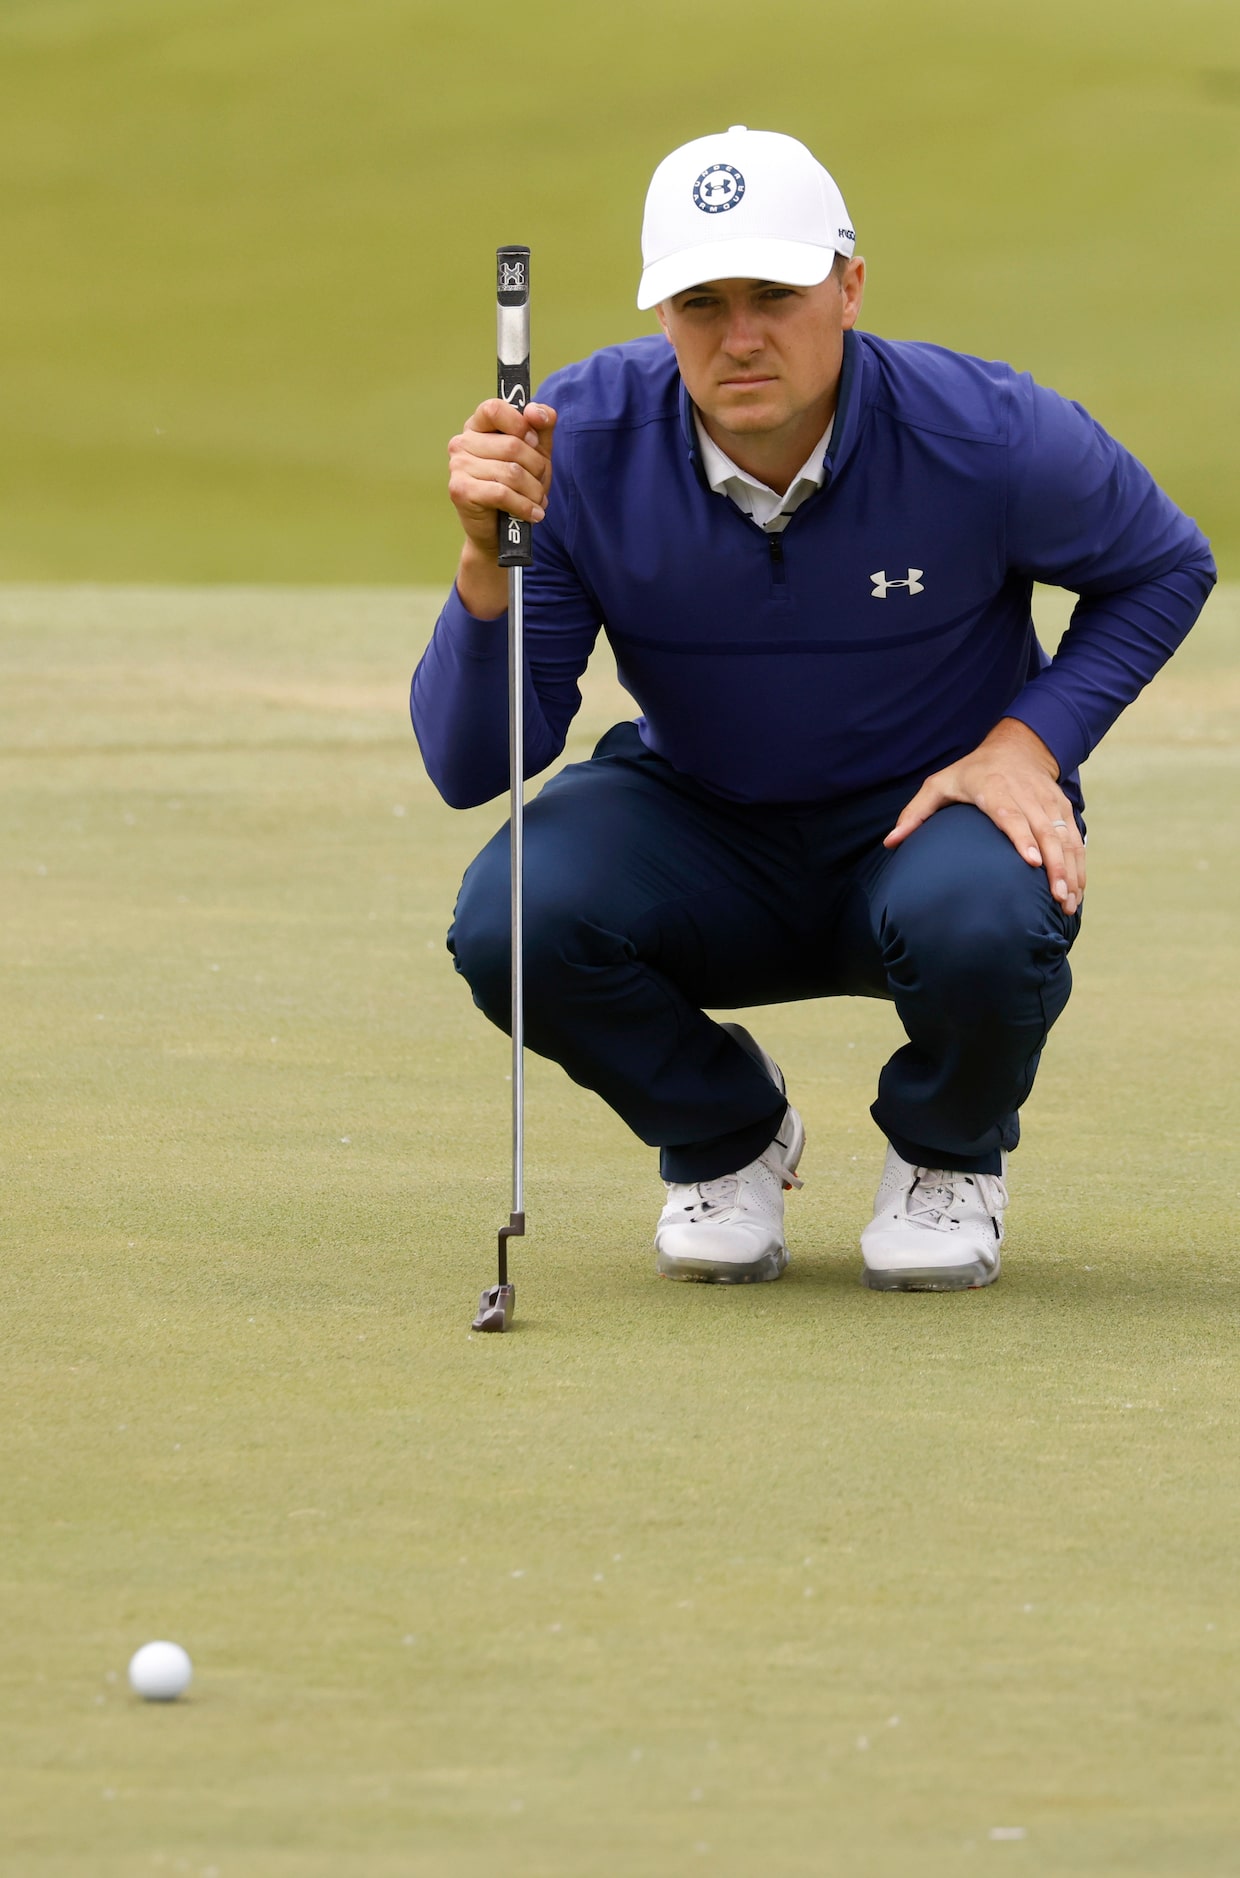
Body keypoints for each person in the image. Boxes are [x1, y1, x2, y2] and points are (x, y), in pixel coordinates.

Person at [411, 126, 1214, 1293]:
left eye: (773, 294)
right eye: (700, 302)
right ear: (661, 315)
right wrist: (489, 565)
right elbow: (471, 763)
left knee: (988, 916)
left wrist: (1024, 744)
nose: (739, 336)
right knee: (512, 919)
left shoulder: (982, 430)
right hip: (701, 819)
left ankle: (949, 1153)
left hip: (927, 823)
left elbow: (1162, 564)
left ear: (846, 287)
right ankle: (726, 1133)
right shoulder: (572, 445)